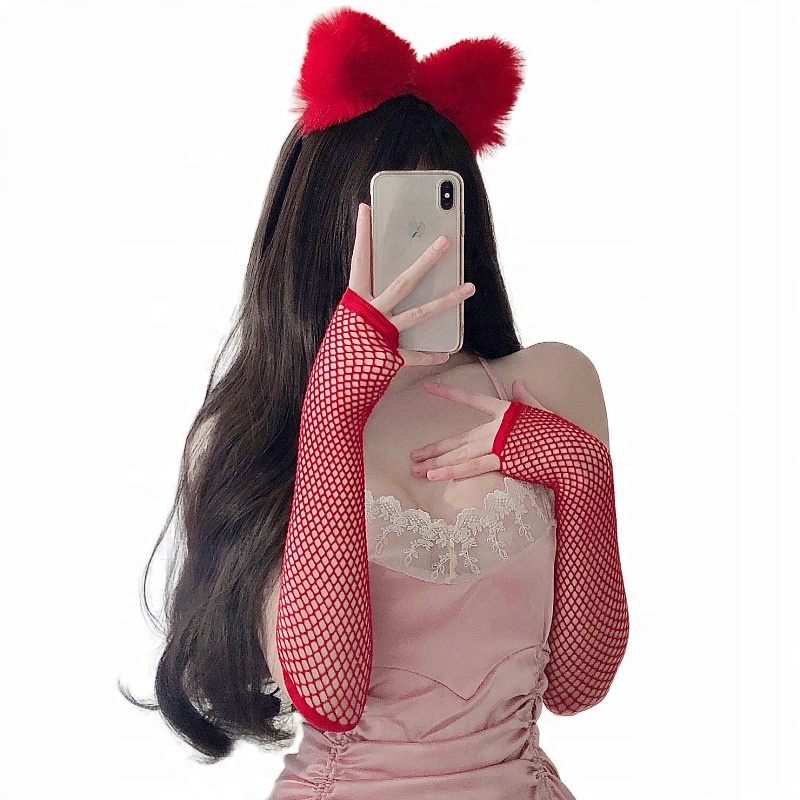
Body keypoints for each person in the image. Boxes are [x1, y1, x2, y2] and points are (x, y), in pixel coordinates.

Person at [121, 7, 630, 798]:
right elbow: (327, 697)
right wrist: (331, 415)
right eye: (398, 218)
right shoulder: (251, 431)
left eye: (442, 206)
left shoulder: (551, 382)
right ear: (322, 227)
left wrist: (582, 473)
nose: (426, 245)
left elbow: (578, 686)